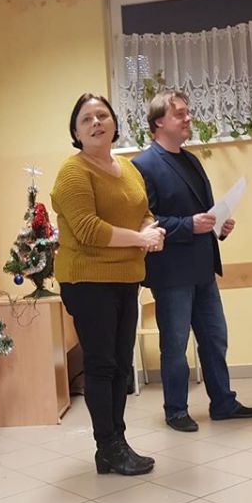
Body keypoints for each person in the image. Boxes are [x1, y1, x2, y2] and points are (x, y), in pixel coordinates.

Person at [132, 90, 252, 431]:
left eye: (187, 112)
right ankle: (175, 410)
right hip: (171, 273)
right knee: (175, 345)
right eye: (179, 113)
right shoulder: (143, 166)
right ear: (159, 122)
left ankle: (223, 403)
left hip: (203, 267)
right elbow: (147, 222)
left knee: (215, 337)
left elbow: (203, 212)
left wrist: (219, 224)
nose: (188, 118)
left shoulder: (191, 161)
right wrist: (189, 225)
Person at [51, 93, 166, 475]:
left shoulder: (128, 168)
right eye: (86, 119)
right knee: (101, 365)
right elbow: (88, 229)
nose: (96, 123)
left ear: (115, 123)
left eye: (102, 115)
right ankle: (108, 445)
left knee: (119, 366)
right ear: (75, 132)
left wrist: (151, 229)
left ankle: (116, 444)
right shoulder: (73, 172)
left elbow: (144, 210)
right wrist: (140, 239)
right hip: (87, 280)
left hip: (125, 278)